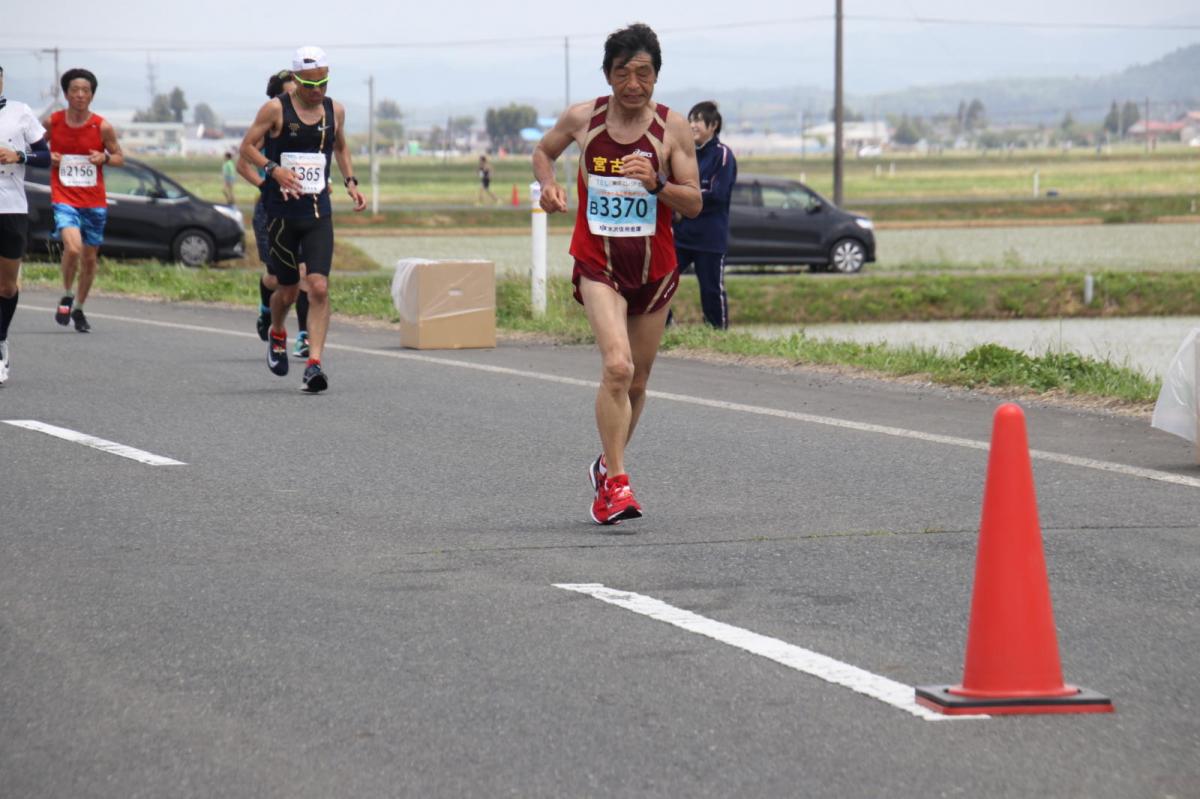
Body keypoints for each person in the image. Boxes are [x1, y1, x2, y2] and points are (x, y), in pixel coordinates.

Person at [533, 23, 701, 525]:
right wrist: (548, 186)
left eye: (644, 73)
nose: (634, 83)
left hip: (655, 268)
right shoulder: (583, 118)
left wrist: (658, 183)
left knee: (639, 382)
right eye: (623, 72)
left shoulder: (673, 130)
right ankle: (619, 487)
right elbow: (544, 152)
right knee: (618, 367)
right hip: (598, 262)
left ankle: (607, 467)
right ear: (607, 75)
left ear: (656, 76)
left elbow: (693, 202)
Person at [239, 46, 366, 393]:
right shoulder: (275, 109)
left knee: (320, 287)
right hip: (280, 215)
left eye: (324, 83)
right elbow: (247, 147)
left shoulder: (334, 110)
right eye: (310, 84)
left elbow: (340, 146)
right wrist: (273, 170)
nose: (318, 91)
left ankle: (314, 364)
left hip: (317, 212)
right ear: (295, 80)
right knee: (288, 289)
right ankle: (277, 331)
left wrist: (350, 182)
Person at [237, 69, 311, 358]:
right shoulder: (269, 127)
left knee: (305, 273)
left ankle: (303, 335)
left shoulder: (309, 125)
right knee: (278, 279)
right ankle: (267, 307)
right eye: (290, 91)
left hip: (304, 208)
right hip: (272, 209)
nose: (297, 95)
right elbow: (244, 162)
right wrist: (265, 185)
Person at [44, 67, 124, 333]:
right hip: (64, 196)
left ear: (92, 95)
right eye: (75, 90)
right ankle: (66, 293)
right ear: (66, 93)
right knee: (74, 248)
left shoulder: (102, 126)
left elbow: (119, 157)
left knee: (89, 258)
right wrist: (48, 155)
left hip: (94, 201)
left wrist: (105, 158)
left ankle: (78, 307)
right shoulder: (52, 122)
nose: (80, 95)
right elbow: (32, 146)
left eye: (86, 91)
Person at [0, 65, 52, 385]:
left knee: (6, 286)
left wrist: (18, 155)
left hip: (11, 209)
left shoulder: (21, 113)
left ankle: (1, 339)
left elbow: (46, 157)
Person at [673, 100, 737, 329]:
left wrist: (685, 199)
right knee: (660, 279)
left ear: (714, 125)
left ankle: (717, 335)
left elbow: (717, 194)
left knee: (711, 290)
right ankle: (665, 326)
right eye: (690, 120)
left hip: (710, 237)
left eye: (698, 120)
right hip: (682, 235)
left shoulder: (723, 155)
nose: (693, 125)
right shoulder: (685, 154)